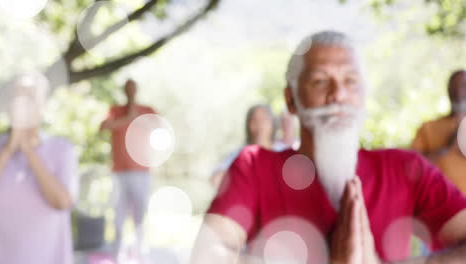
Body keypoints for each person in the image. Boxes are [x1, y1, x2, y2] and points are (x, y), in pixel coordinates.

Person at [191, 31, 466, 264]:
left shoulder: (405, 168)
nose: (338, 95)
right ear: (291, 99)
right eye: (320, 81)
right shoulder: (254, 167)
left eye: (350, 81)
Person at [0, 73, 78, 264]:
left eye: (30, 99)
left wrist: (27, 148)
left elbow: (61, 202)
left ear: (42, 106)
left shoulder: (62, 149)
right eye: (17, 98)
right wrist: (9, 149)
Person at [100, 79, 156, 257]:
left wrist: (133, 117)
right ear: (124, 90)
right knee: (118, 217)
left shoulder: (147, 111)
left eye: (133, 88)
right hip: (119, 173)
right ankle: (116, 255)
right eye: (127, 88)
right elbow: (104, 127)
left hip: (141, 172)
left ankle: (141, 256)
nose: (130, 91)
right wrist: (128, 119)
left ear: (137, 89)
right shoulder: (115, 110)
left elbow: (157, 128)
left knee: (140, 217)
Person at [210, 104, 277, 187]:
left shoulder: (282, 151)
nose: (259, 124)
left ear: (272, 122)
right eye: (254, 120)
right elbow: (216, 179)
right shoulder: (239, 154)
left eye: (264, 119)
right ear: (248, 124)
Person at [411, 70, 466, 163]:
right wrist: (447, 148)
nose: (458, 92)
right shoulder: (427, 128)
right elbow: (412, 167)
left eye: (463, 85)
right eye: (454, 86)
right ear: (448, 90)